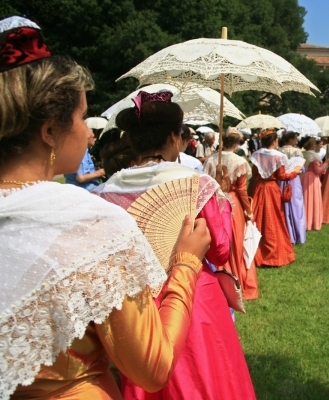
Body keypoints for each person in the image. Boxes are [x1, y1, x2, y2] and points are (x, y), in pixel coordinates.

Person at [0, 17, 211, 398]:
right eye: (81, 117)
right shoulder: (89, 225)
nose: (89, 132)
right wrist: (186, 264)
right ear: (50, 132)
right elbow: (152, 367)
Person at [94, 92, 256, 400]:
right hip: (194, 300)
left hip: (134, 306)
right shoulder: (197, 184)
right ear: (173, 136)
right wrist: (222, 202)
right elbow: (221, 250)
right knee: (205, 380)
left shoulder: (103, 194)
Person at [205, 127, 259, 300]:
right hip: (232, 203)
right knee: (234, 240)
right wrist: (249, 210)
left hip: (213, 201)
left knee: (217, 238)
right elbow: (242, 190)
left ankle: (218, 277)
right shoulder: (239, 161)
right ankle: (233, 277)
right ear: (237, 143)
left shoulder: (211, 160)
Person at [250, 129, 303, 267]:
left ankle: (254, 249)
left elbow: (255, 172)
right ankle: (272, 252)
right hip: (272, 189)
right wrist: (295, 173)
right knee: (273, 218)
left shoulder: (257, 154)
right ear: (274, 141)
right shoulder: (279, 156)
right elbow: (282, 176)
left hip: (259, 187)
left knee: (258, 216)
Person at [278, 131, 307, 244]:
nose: (296, 141)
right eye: (295, 138)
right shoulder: (297, 151)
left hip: (281, 179)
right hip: (293, 179)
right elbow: (301, 169)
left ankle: (285, 232)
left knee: (283, 206)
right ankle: (297, 233)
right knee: (296, 204)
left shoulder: (278, 151)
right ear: (290, 139)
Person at [301, 137, 329, 231]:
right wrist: (326, 163)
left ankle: (305, 221)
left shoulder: (302, 154)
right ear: (313, 145)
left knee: (305, 198)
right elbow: (318, 170)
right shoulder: (314, 156)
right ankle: (313, 222)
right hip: (312, 178)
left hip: (304, 177)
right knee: (313, 199)